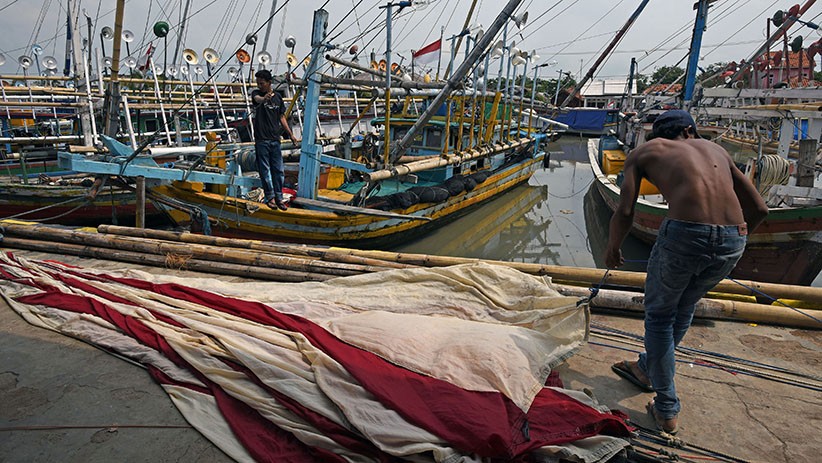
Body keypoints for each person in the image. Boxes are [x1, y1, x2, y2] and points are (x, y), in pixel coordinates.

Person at [605, 109, 768, 434]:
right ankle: (648, 368)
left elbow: (625, 210)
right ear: (691, 131)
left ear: (660, 137)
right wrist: (732, 239)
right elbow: (760, 209)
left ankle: (666, 409)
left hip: (684, 234)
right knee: (683, 308)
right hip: (735, 237)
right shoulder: (719, 151)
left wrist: (612, 248)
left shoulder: (645, 152)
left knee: (660, 317)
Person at [251, 69, 298, 211]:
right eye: (258, 83)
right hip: (261, 140)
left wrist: (290, 134)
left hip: (275, 139)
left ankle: (279, 197)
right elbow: (257, 100)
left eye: (262, 83)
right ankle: (270, 197)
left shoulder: (278, 97)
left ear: (269, 83)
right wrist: (264, 98)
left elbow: (281, 117)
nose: (260, 86)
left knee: (278, 170)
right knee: (265, 170)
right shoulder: (256, 94)